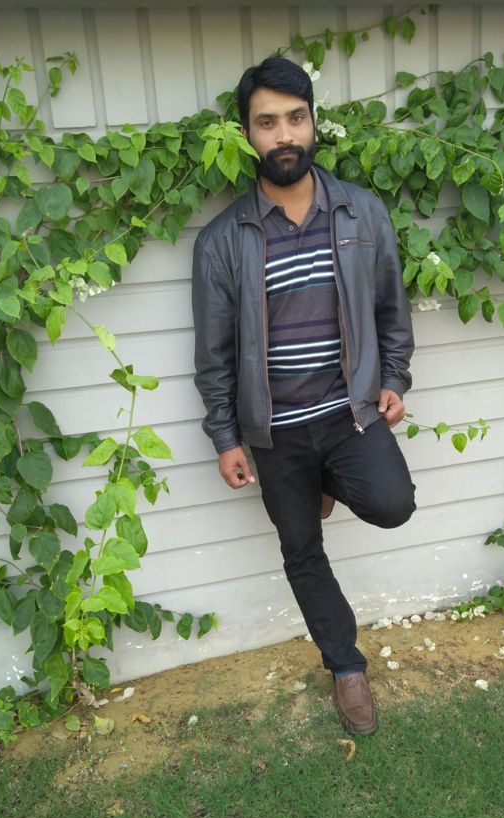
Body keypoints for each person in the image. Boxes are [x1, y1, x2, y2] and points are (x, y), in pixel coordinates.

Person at [191, 56, 416, 735]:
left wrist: (394, 378)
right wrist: (226, 437)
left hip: (349, 414)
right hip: (276, 430)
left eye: (296, 118)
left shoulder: (362, 212)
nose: (284, 134)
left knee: (394, 504)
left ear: (314, 123)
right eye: (267, 123)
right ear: (247, 134)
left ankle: (326, 479)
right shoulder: (222, 242)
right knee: (301, 548)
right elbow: (215, 354)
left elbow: (391, 311)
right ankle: (345, 665)